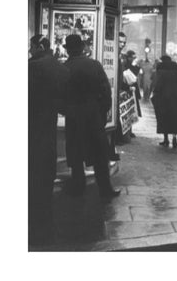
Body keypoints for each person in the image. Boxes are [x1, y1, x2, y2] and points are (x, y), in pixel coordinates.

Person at [64, 34, 121, 199]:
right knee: (99, 156)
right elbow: (106, 91)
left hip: (74, 118)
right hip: (93, 116)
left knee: (76, 156)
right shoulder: (94, 65)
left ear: (68, 50)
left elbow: (60, 96)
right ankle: (105, 190)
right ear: (82, 48)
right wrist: (101, 113)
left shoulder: (65, 67)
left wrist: (68, 111)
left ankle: (78, 189)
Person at [28, 34, 69, 245]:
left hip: (32, 126)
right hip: (48, 127)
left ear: (38, 46)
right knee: (44, 172)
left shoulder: (33, 67)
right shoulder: (59, 66)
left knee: (33, 172)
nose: (29, 50)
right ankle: (46, 221)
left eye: (31, 46)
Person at [151, 55, 177, 147]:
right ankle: (174, 139)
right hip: (175, 97)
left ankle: (166, 139)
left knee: (164, 118)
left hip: (163, 97)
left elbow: (158, 85)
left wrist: (154, 93)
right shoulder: (176, 72)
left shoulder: (161, 71)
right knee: (175, 118)